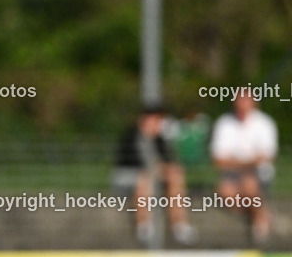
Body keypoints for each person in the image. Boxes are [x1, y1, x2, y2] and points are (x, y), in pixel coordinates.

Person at [115, 105, 196, 245]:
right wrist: (157, 169)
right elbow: (134, 164)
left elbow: (167, 161)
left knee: (175, 175)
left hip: (155, 176)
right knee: (143, 179)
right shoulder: (131, 137)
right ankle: (144, 225)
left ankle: (179, 225)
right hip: (131, 177)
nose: (158, 124)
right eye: (155, 120)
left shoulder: (160, 140)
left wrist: (166, 170)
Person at [210, 89, 278, 243]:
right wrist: (246, 162)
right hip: (233, 176)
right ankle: (261, 213)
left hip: (259, 175)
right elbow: (218, 159)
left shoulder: (265, 123)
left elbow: (266, 157)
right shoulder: (224, 123)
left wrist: (236, 162)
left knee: (249, 184)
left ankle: (259, 222)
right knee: (225, 193)